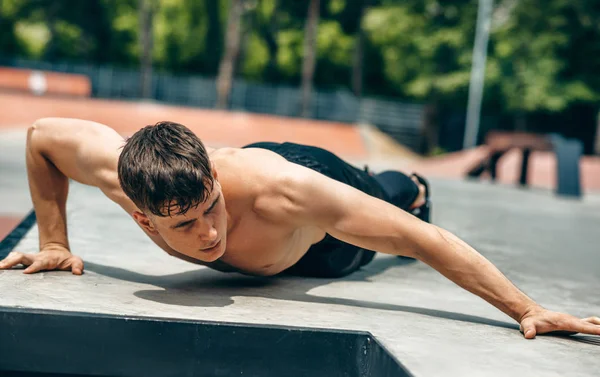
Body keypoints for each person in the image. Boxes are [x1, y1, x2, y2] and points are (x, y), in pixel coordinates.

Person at [1, 118, 598, 340]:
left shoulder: (284, 193)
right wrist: (55, 241)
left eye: (210, 207)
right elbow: (40, 140)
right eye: (184, 224)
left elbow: (419, 241)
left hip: (314, 228)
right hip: (276, 215)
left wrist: (526, 308)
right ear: (141, 215)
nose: (209, 234)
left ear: (211, 173)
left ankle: (414, 182)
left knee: (388, 200)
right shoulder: (117, 170)